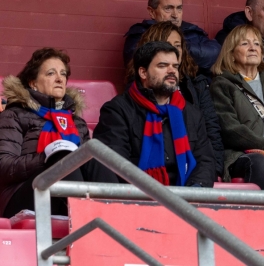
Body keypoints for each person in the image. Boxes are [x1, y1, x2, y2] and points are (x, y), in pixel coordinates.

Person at [0, 48, 113, 217]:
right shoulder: (14, 115)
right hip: (23, 195)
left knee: (96, 156)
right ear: (33, 83)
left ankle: (113, 219)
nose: (60, 79)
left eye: (63, 74)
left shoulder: (77, 122)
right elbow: (4, 166)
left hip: (66, 195)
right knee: (63, 159)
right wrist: (45, 158)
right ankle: (85, 221)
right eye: (51, 73)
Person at [94, 41, 215, 187]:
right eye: (162, 66)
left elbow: (205, 160)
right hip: (136, 195)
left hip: (184, 198)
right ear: (143, 72)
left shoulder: (192, 113)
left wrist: (194, 193)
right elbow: (114, 162)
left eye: (175, 66)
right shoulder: (117, 110)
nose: (172, 71)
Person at [126, 21, 224, 179]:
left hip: (193, 176)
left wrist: (216, 171)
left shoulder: (197, 84)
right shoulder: (132, 96)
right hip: (143, 184)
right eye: (165, 44)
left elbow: (211, 130)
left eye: (177, 45)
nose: (172, 50)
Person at [210, 25, 264, 189]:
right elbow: (230, 128)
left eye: (256, 44)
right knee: (261, 164)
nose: (252, 48)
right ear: (231, 53)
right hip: (242, 153)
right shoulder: (222, 84)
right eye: (244, 44)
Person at [123, 0, 220, 74]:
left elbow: (216, 54)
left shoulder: (193, 31)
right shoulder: (140, 33)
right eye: (168, 8)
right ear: (152, 12)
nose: (175, 15)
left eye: (179, 8)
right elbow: (136, 60)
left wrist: (176, 46)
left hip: (195, 90)